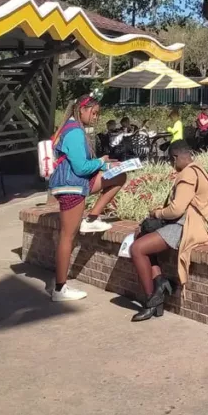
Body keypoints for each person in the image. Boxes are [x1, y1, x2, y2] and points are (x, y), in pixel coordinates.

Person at [47, 95, 128, 302]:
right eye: (94, 112)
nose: (96, 116)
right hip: (72, 185)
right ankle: (59, 289)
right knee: (68, 237)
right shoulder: (74, 132)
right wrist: (101, 162)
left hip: (75, 182)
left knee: (119, 176)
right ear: (81, 110)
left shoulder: (69, 128)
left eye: (98, 113)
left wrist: (106, 166)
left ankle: (92, 218)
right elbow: (81, 167)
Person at [128, 139, 208, 321]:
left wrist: (157, 213)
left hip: (188, 226)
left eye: (170, 160)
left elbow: (176, 209)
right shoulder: (198, 169)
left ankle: (151, 300)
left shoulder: (187, 174)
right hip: (189, 222)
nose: (170, 165)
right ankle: (159, 284)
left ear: (175, 157)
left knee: (137, 249)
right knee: (142, 235)